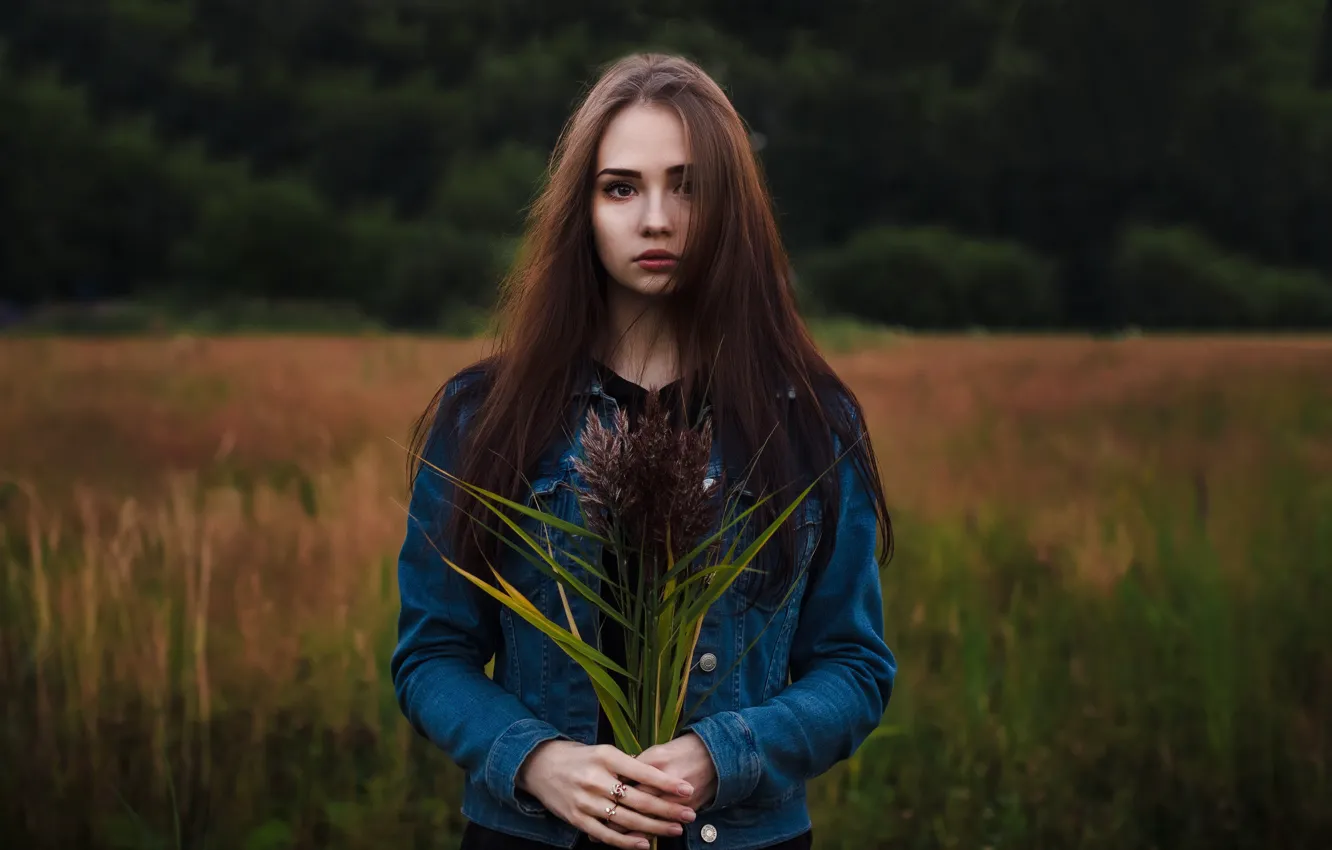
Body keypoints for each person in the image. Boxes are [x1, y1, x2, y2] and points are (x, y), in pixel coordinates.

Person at [391, 53, 897, 850]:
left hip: (735, 836)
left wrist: (718, 756)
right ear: (582, 210)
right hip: (533, 836)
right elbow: (432, 655)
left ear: (731, 207)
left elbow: (854, 668)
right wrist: (537, 759)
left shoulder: (809, 422)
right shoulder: (486, 414)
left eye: (687, 186)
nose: (655, 219)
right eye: (621, 187)